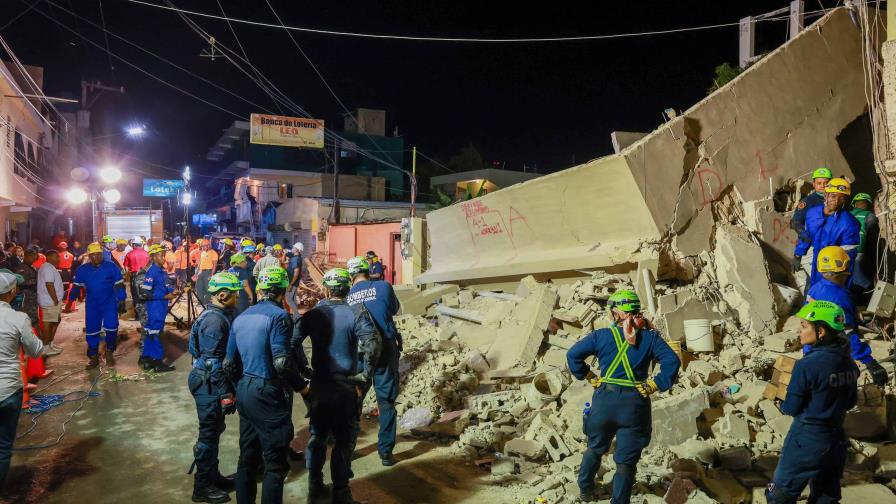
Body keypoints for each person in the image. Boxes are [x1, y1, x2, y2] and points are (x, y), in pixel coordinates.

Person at [566, 290, 680, 503]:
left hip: (604, 402)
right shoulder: (650, 338)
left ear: (617, 313)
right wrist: (655, 384)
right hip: (635, 404)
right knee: (626, 462)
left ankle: (585, 489)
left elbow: (572, 355)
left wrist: (589, 375)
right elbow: (672, 362)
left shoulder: (601, 336)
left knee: (595, 448)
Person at [224, 266, 307, 504]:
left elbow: (229, 364)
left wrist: (240, 387)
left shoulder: (241, 317)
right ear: (283, 290)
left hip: (245, 391)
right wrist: (302, 387)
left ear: (259, 289)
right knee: (275, 464)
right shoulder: (279, 316)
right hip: (267, 392)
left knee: (247, 459)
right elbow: (281, 362)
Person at [298, 268, 378, 504]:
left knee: (318, 436)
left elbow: (291, 344)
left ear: (326, 288)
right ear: (348, 288)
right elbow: (372, 344)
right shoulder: (356, 312)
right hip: (345, 386)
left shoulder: (313, 315)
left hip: (321, 384)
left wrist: (305, 371)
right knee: (344, 442)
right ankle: (341, 494)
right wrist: (365, 375)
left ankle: (314, 487)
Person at [766, 301, 858, 503]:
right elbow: (850, 402)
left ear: (821, 331)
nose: (799, 331)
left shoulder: (807, 366)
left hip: (806, 440)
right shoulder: (850, 364)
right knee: (825, 497)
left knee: (778, 495)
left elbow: (791, 408)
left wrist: (781, 400)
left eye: (804, 326)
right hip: (836, 441)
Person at [189, 272, 242, 503]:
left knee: (215, 430)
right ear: (222, 294)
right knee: (208, 434)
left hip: (208, 380)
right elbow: (212, 362)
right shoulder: (215, 321)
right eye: (234, 292)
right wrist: (226, 394)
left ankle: (213, 476)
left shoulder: (218, 315)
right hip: (208, 384)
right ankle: (202, 488)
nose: (238, 296)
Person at [345, 256, 401, 466]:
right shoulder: (384, 287)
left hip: (360, 354)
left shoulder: (347, 296)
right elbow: (394, 309)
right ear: (367, 271)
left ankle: (348, 447)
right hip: (386, 349)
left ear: (351, 276)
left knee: (355, 400)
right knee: (386, 402)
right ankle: (385, 453)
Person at [805, 246, 887, 386]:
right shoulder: (840, 296)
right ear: (843, 269)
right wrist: (869, 361)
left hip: (810, 350)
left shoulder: (814, 289)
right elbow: (847, 334)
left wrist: (854, 315)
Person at [0, 272, 43, 489]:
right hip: (8, 389)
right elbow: (36, 351)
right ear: (12, 292)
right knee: (3, 446)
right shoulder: (18, 318)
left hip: (9, 388)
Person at [792, 177, 860, 289]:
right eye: (833, 196)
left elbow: (849, 257)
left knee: (831, 298)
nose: (837, 201)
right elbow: (806, 236)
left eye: (842, 198)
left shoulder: (849, 223)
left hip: (835, 269)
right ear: (826, 196)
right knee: (811, 292)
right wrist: (798, 255)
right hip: (816, 262)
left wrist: (841, 281)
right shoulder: (812, 213)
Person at [73, 242, 126, 369]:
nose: (96, 257)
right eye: (93, 255)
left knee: (112, 327)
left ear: (102, 254)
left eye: (99, 254)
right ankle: (93, 357)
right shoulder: (82, 270)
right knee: (92, 331)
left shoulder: (111, 267)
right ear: (89, 256)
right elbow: (76, 286)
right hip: (92, 305)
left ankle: (109, 351)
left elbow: (119, 285)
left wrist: (121, 299)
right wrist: (70, 299)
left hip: (109, 303)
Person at [138, 245, 178, 372]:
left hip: (160, 306)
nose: (164, 258)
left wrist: (174, 290)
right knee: (155, 334)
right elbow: (145, 293)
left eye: (164, 255)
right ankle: (158, 362)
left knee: (151, 333)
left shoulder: (162, 271)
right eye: (161, 256)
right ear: (154, 257)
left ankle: (147, 359)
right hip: (155, 307)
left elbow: (167, 285)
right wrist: (165, 296)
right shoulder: (152, 271)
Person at [849, 192, 879, 302]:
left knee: (849, 279)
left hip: (845, 252)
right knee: (863, 281)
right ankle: (868, 304)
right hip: (860, 252)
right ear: (867, 204)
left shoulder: (847, 214)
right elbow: (872, 239)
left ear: (854, 204)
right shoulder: (869, 216)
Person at [37, 250, 64, 357]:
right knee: (48, 324)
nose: (59, 259)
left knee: (55, 321)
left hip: (51, 301)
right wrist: (55, 300)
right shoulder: (48, 268)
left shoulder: (48, 267)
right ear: (49, 257)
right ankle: (46, 347)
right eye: (56, 257)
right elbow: (49, 285)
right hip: (50, 301)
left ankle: (50, 344)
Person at [197, 240, 219, 305]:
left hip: (208, 272)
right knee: (199, 287)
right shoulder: (202, 252)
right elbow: (200, 263)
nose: (203, 247)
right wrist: (196, 274)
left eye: (204, 246)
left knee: (208, 288)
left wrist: (211, 275)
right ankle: (200, 302)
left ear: (209, 245)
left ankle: (206, 302)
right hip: (200, 272)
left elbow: (215, 265)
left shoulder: (214, 253)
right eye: (202, 246)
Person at [285, 242, 304, 315]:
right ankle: (296, 316)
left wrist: (291, 284)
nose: (292, 249)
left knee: (289, 299)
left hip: (292, 283)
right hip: (294, 282)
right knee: (293, 299)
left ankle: (297, 315)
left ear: (297, 250)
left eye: (294, 248)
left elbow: (296, 273)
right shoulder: (296, 258)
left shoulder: (296, 259)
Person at [58, 242, 76, 313]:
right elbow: (73, 264)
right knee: (68, 287)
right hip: (68, 272)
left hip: (60, 271)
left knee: (59, 287)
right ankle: (67, 303)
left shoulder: (58, 255)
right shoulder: (71, 255)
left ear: (61, 247)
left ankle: (60, 303)